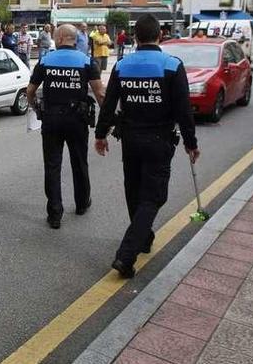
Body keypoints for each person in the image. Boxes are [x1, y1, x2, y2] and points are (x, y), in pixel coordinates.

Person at [95, 14, 200, 278]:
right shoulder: (172, 65)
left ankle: (143, 237)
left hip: (130, 139)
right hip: (159, 140)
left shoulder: (122, 65)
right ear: (160, 36)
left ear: (135, 37)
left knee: (134, 191)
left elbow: (108, 104)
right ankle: (126, 255)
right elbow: (183, 109)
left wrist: (100, 134)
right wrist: (191, 143)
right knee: (153, 196)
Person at [27, 24, 106, 229]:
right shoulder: (87, 61)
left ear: (60, 38)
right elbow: (99, 94)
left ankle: (54, 213)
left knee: (52, 165)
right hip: (77, 120)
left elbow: (30, 91)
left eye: (55, 36)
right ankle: (81, 203)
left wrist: (37, 108)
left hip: (51, 119)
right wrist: (107, 122)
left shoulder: (45, 61)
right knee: (79, 162)